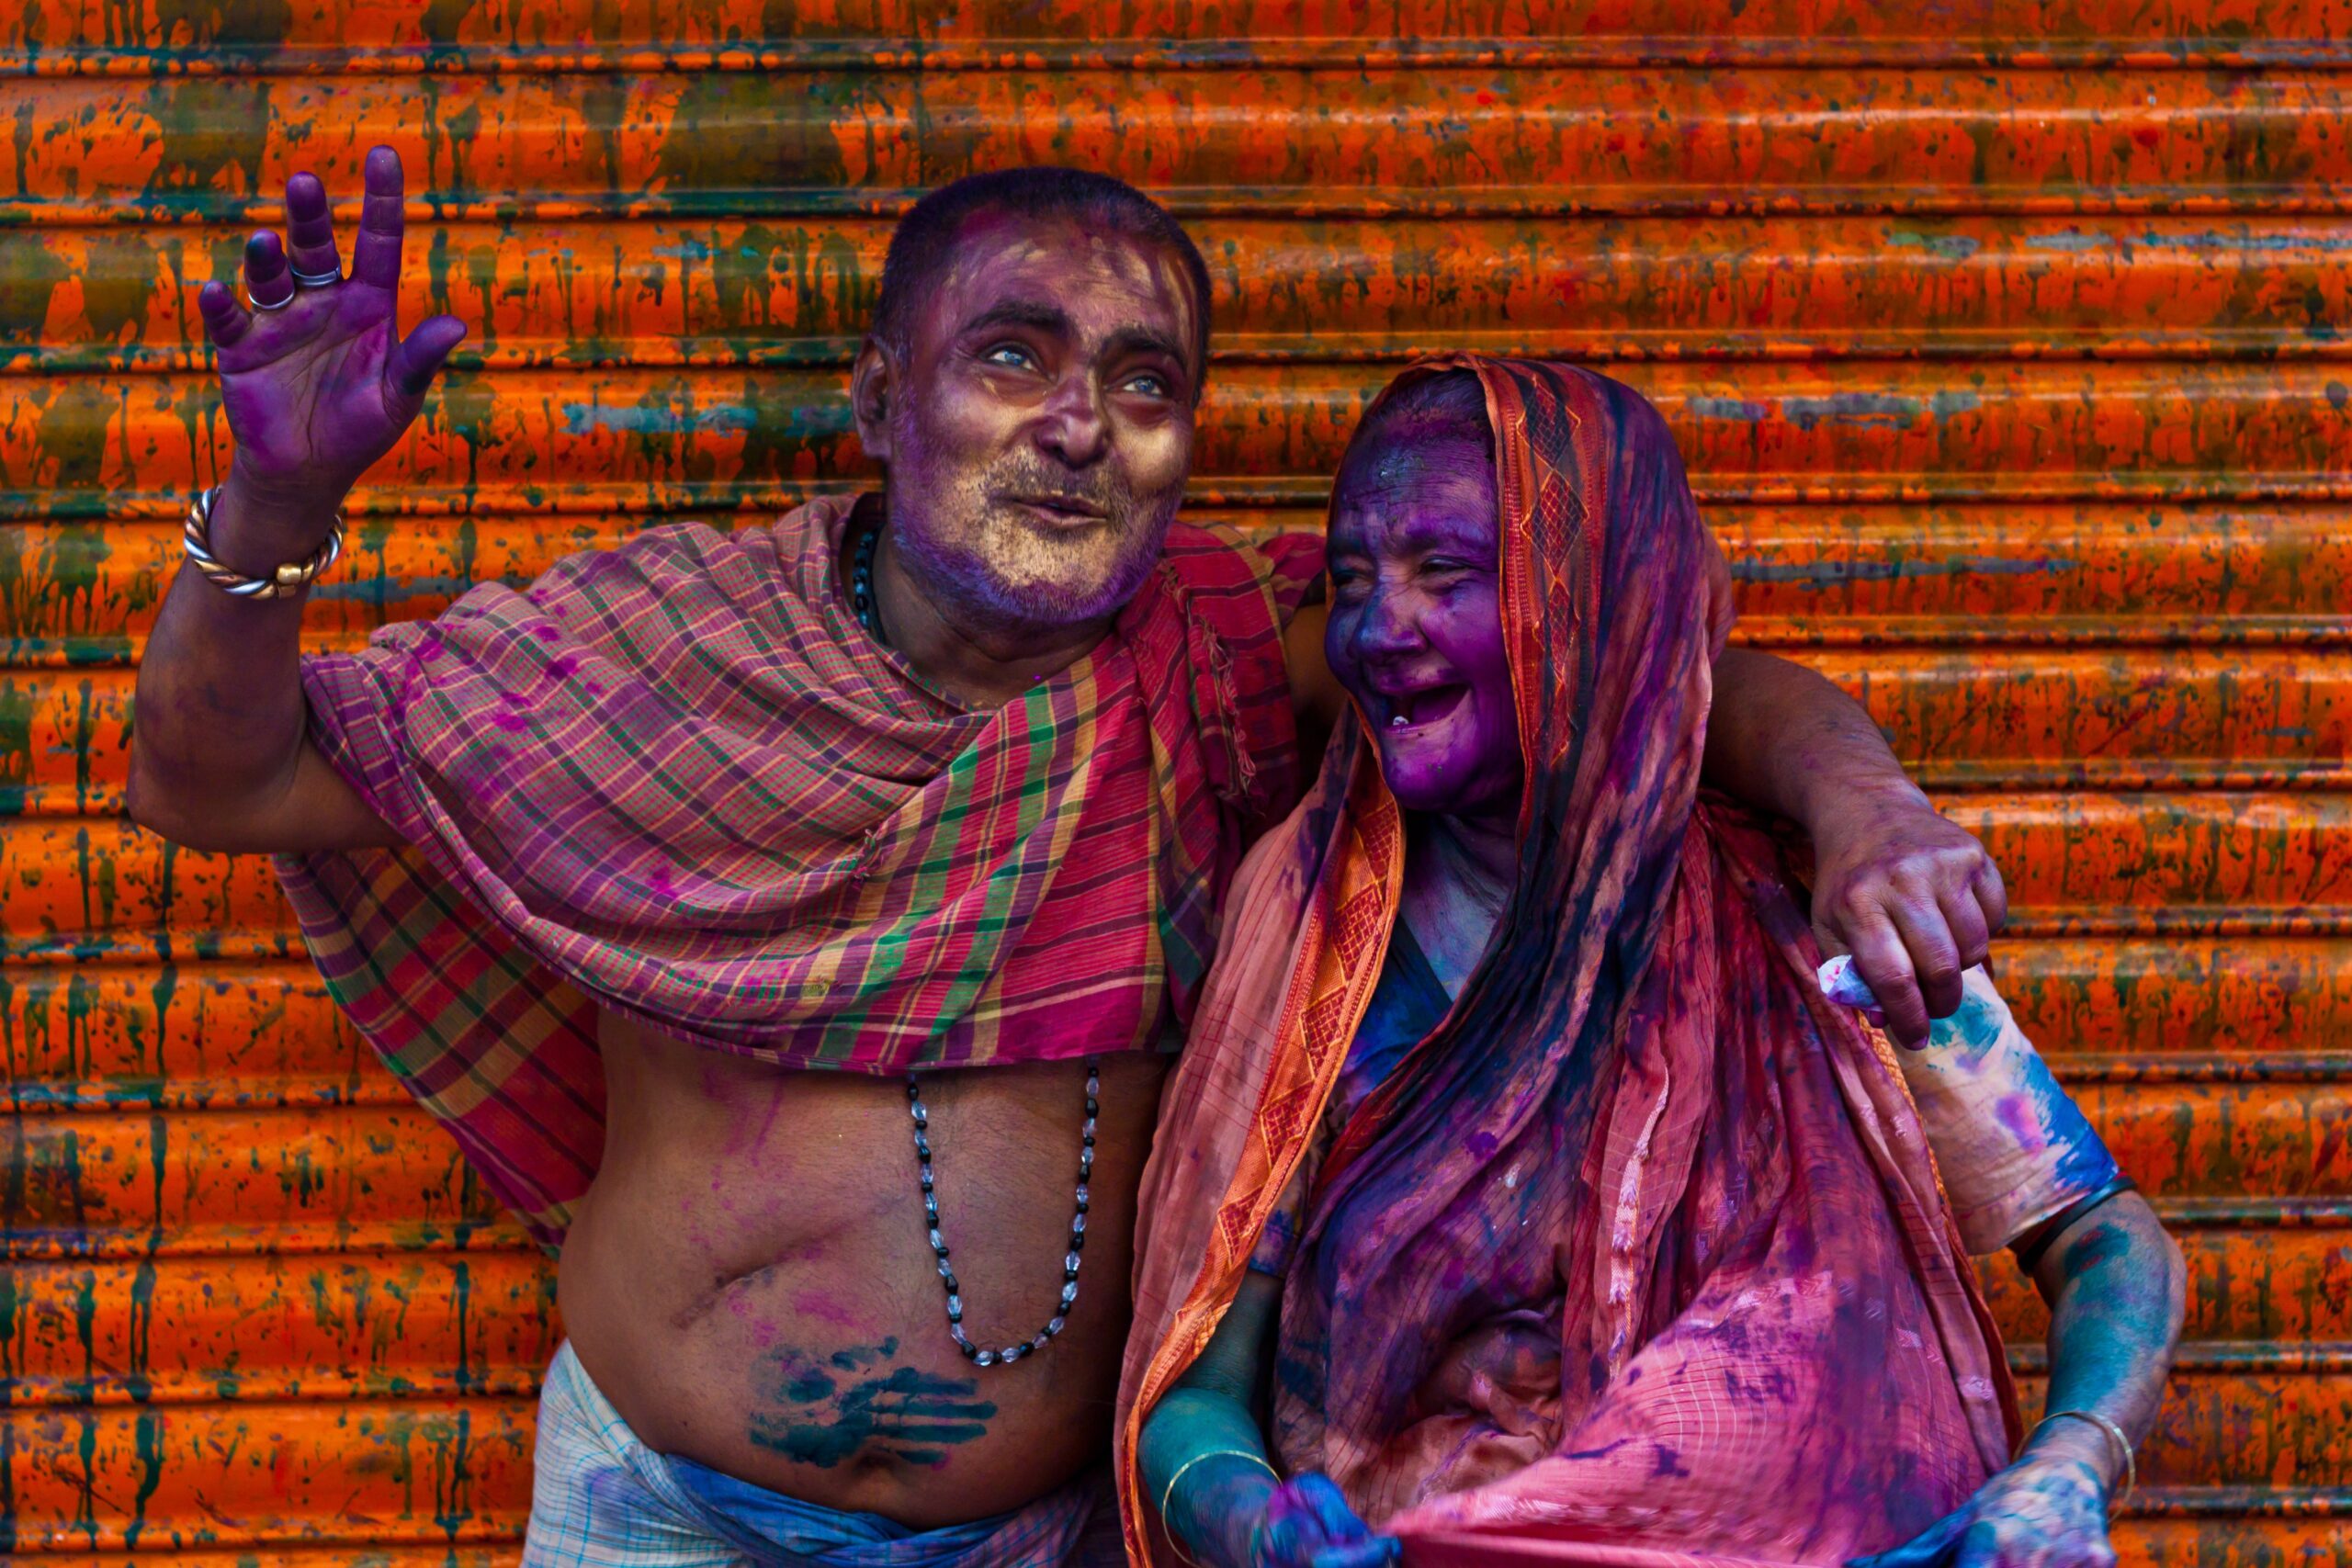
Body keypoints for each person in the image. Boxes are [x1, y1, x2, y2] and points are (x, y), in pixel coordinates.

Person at [131, 150, 2020, 1568]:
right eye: (1013, 356)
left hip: (1056, 1530)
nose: (1076, 425)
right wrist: (279, 497)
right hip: (660, 1513)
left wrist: (1857, 801)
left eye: (1140, 381)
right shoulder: (667, 651)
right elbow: (220, 781)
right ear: (880, 402)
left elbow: (1612, 668)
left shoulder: (1222, 652)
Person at [1124, 359, 2186, 1568]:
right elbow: (1195, 1393)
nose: (1376, 630)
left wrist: (2069, 1464)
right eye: (1354, 578)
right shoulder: (1317, 929)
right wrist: (1255, 1525)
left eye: (1446, 573)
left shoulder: (1802, 905)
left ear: (1598, 601)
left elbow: (2104, 1239)